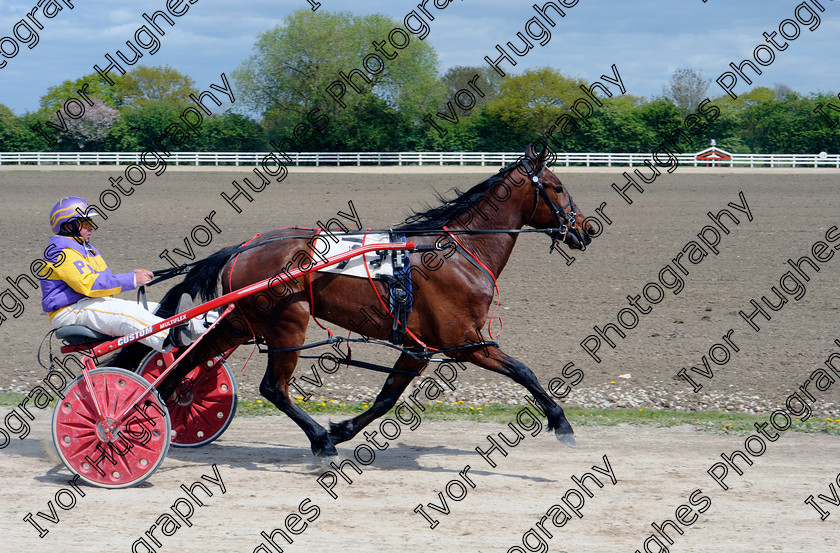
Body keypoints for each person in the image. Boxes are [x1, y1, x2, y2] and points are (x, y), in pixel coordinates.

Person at [40, 196, 195, 352]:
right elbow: (90, 285)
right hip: (69, 311)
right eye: (86, 223)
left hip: (90, 303)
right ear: (68, 227)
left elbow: (105, 281)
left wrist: (133, 277)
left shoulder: (86, 248)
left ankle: (204, 327)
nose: (92, 227)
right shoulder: (61, 252)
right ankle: (171, 337)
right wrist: (133, 279)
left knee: (159, 310)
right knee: (129, 316)